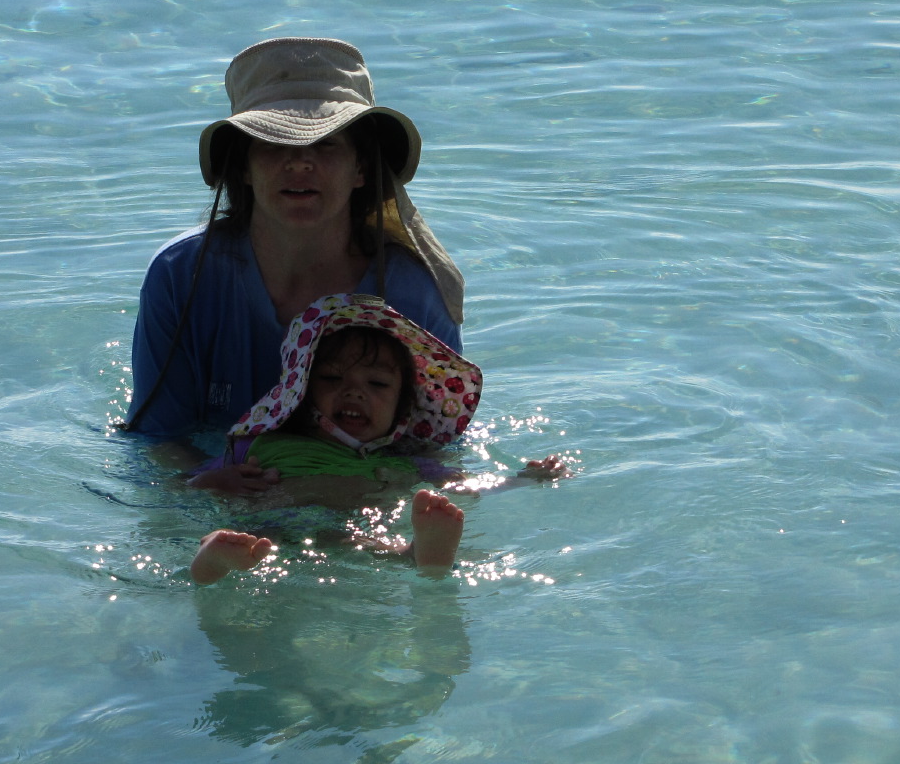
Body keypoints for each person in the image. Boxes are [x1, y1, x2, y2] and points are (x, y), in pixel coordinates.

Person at [123, 39, 465, 496]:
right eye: (274, 143)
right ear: (243, 167)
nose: (300, 162)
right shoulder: (181, 274)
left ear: (361, 168)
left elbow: (435, 446)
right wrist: (201, 484)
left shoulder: (412, 289)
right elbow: (156, 437)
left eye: (326, 145)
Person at [186, 295, 570, 584]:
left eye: (377, 384)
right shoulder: (258, 443)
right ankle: (216, 557)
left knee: (360, 544)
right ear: (301, 391)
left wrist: (522, 479)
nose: (354, 392)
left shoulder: (403, 462)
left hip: (342, 527)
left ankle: (417, 554)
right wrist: (212, 480)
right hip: (271, 520)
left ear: (403, 408)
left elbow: (465, 487)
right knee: (248, 537)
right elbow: (183, 485)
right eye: (333, 379)